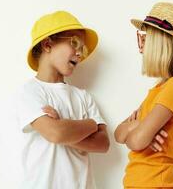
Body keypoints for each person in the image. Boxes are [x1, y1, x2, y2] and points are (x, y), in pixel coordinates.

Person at [114, 2, 173, 189]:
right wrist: (140, 127)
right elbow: (118, 134)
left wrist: (138, 130)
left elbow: (136, 141)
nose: (141, 45)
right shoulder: (161, 88)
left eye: (146, 37)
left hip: (156, 184)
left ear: (163, 42)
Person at [16, 10, 109, 189]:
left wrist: (62, 125)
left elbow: (103, 143)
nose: (80, 53)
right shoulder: (30, 91)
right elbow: (55, 133)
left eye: (82, 48)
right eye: (75, 43)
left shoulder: (83, 96)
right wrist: (90, 125)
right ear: (48, 44)